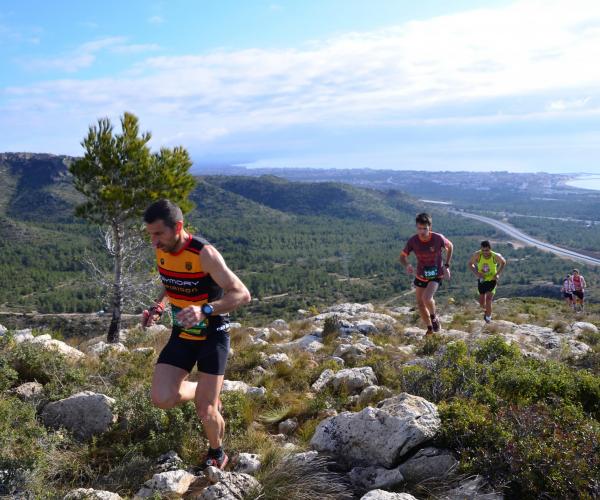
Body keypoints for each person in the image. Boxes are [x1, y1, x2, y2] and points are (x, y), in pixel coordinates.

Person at [142, 199, 251, 470]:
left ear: (177, 227)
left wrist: (205, 310)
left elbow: (242, 294)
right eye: (150, 235)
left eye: (158, 234)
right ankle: (204, 391)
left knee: (206, 410)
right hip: (183, 334)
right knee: (161, 398)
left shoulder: (204, 254)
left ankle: (217, 452)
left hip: (213, 334)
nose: (154, 242)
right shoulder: (162, 249)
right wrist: (159, 306)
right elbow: (171, 281)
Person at [399, 213, 453, 335]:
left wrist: (447, 265)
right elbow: (402, 256)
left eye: (425, 228)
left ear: (430, 227)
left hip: (436, 274)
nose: (422, 232)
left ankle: (434, 317)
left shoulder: (438, 238)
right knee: (420, 303)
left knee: (426, 298)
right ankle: (429, 329)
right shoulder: (413, 241)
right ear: (416, 227)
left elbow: (450, 246)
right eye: (419, 228)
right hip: (421, 274)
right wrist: (407, 264)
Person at [468, 241, 506, 323]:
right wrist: (477, 273)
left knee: (489, 299)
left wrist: (497, 274)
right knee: (482, 303)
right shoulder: (477, 254)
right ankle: (486, 312)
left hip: (492, 280)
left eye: (487, 250)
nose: (485, 252)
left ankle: (488, 319)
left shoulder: (495, 256)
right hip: (482, 280)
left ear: (490, 249)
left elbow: (503, 262)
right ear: (481, 249)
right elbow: (470, 264)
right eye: (483, 250)